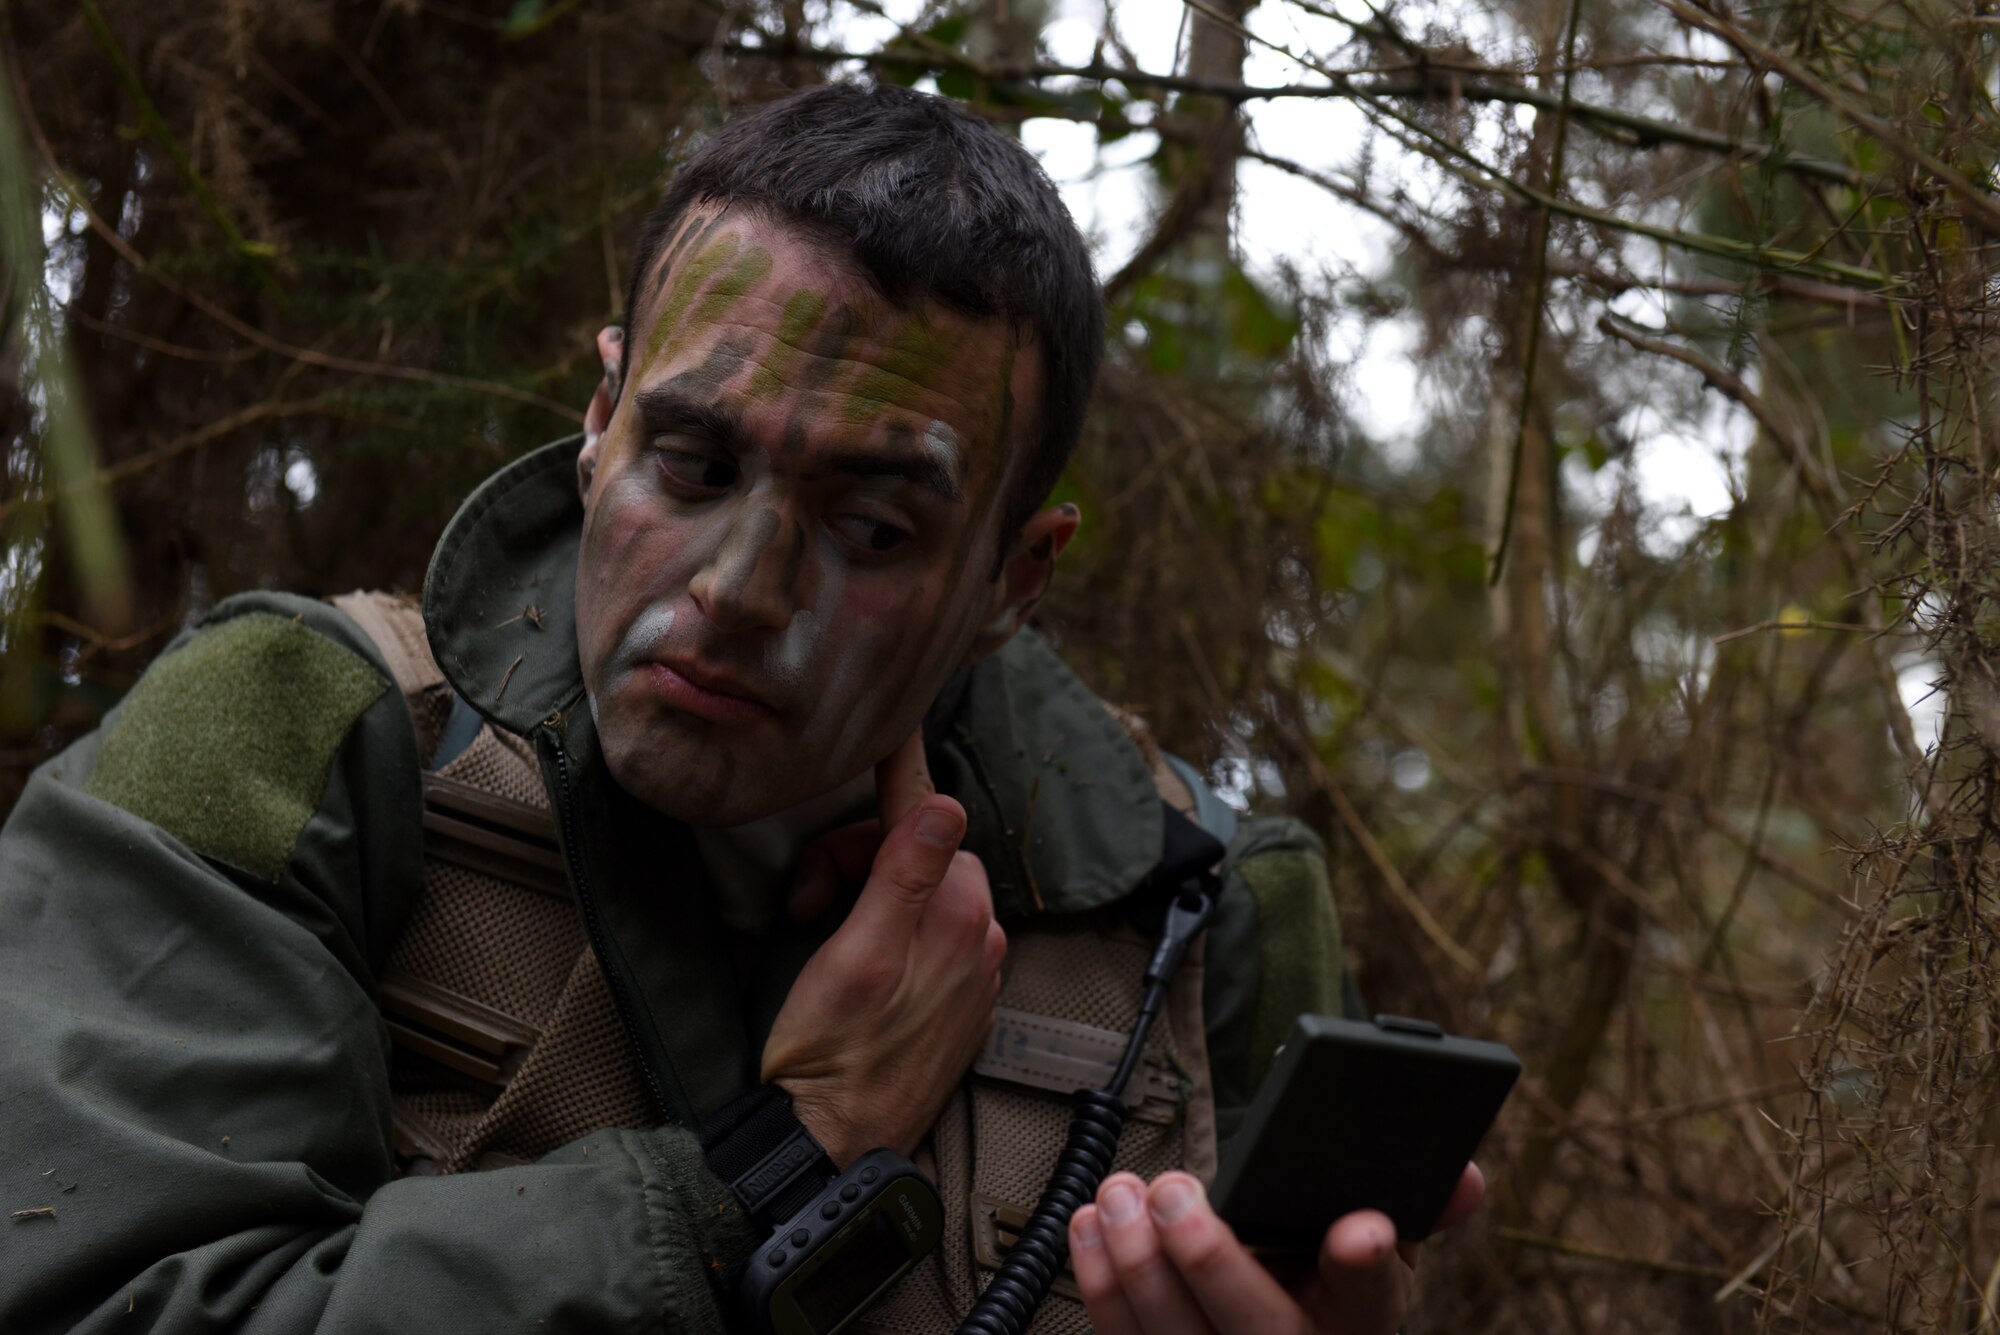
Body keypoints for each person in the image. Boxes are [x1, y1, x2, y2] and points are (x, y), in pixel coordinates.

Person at [0, 83, 1479, 1334]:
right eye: (694, 468)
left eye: (874, 528)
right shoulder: (300, 743)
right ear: (600, 421)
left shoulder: (1197, 919)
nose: (739, 589)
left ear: (1016, 578)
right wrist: (782, 1168)